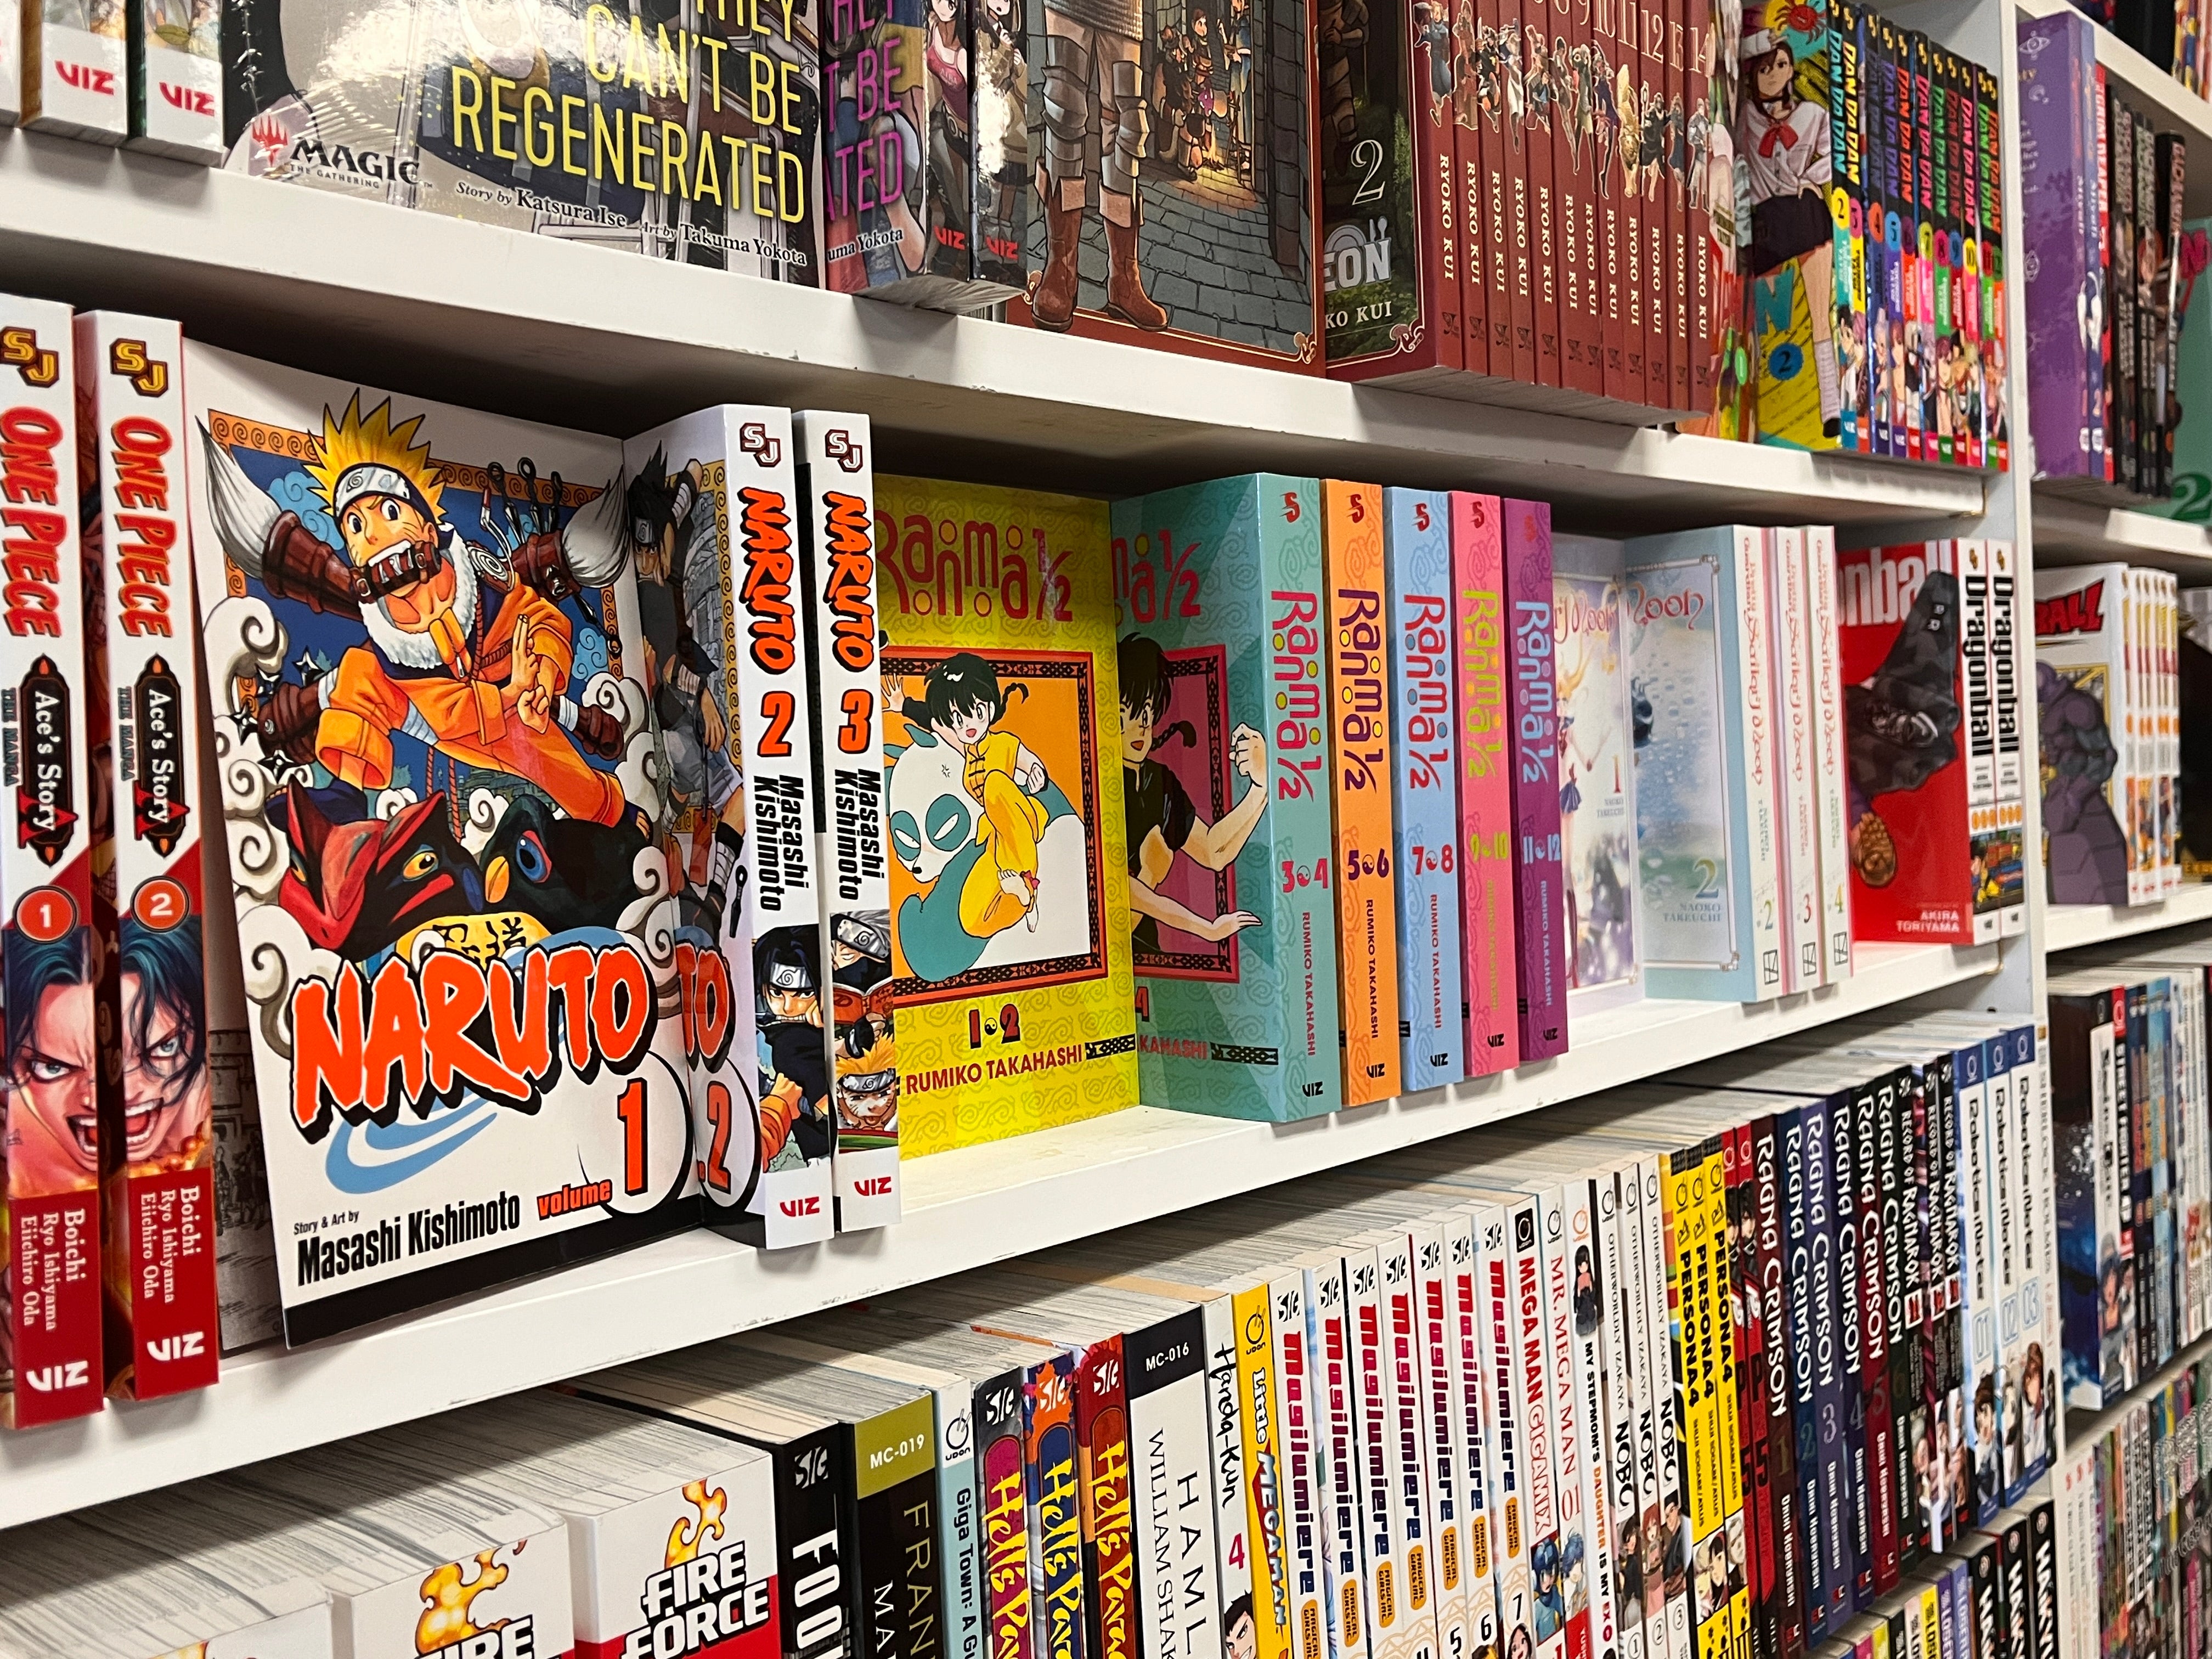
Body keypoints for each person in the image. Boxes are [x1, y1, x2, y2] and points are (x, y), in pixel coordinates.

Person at [1119, 634, 1267, 953]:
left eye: (1146, 710)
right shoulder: (1099, 782)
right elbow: (1118, 899)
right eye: (1124, 713)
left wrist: (1261, 788)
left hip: (1149, 951)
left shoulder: (1159, 781)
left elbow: (1214, 852)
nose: (1141, 725)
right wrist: (1206, 928)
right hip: (1119, 952)